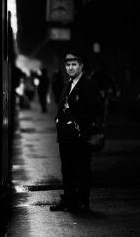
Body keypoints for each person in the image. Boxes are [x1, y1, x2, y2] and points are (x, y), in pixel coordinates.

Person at [50, 51, 102, 212]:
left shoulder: (88, 85)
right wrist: (58, 119)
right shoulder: (67, 85)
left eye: (74, 64)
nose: (70, 68)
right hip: (65, 136)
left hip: (80, 136)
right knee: (67, 169)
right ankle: (69, 199)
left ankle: (82, 201)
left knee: (82, 169)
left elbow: (96, 107)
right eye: (68, 65)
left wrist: (80, 122)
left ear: (81, 66)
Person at [91, 61, 118, 127]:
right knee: (104, 106)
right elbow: (113, 84)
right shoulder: (108, 74)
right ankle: (102, 121)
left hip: (101, 91)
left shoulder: (97, 73)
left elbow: (92, 82)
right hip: (104, 91)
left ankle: (98, 121)